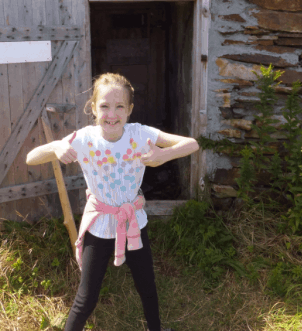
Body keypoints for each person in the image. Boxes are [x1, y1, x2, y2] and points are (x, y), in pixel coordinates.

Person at [26, 73, 199, 331]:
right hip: (99, 226)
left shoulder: (140, 134)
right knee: (86, 298)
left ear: (129, 110)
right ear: (94, 108)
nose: (112, 114)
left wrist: (164, 155)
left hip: (133, 224)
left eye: (119, 106)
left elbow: (192, 144)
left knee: (147, 287)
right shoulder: (85, 138)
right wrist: (56, 148)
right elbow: (31, 157)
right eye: (105, 106)